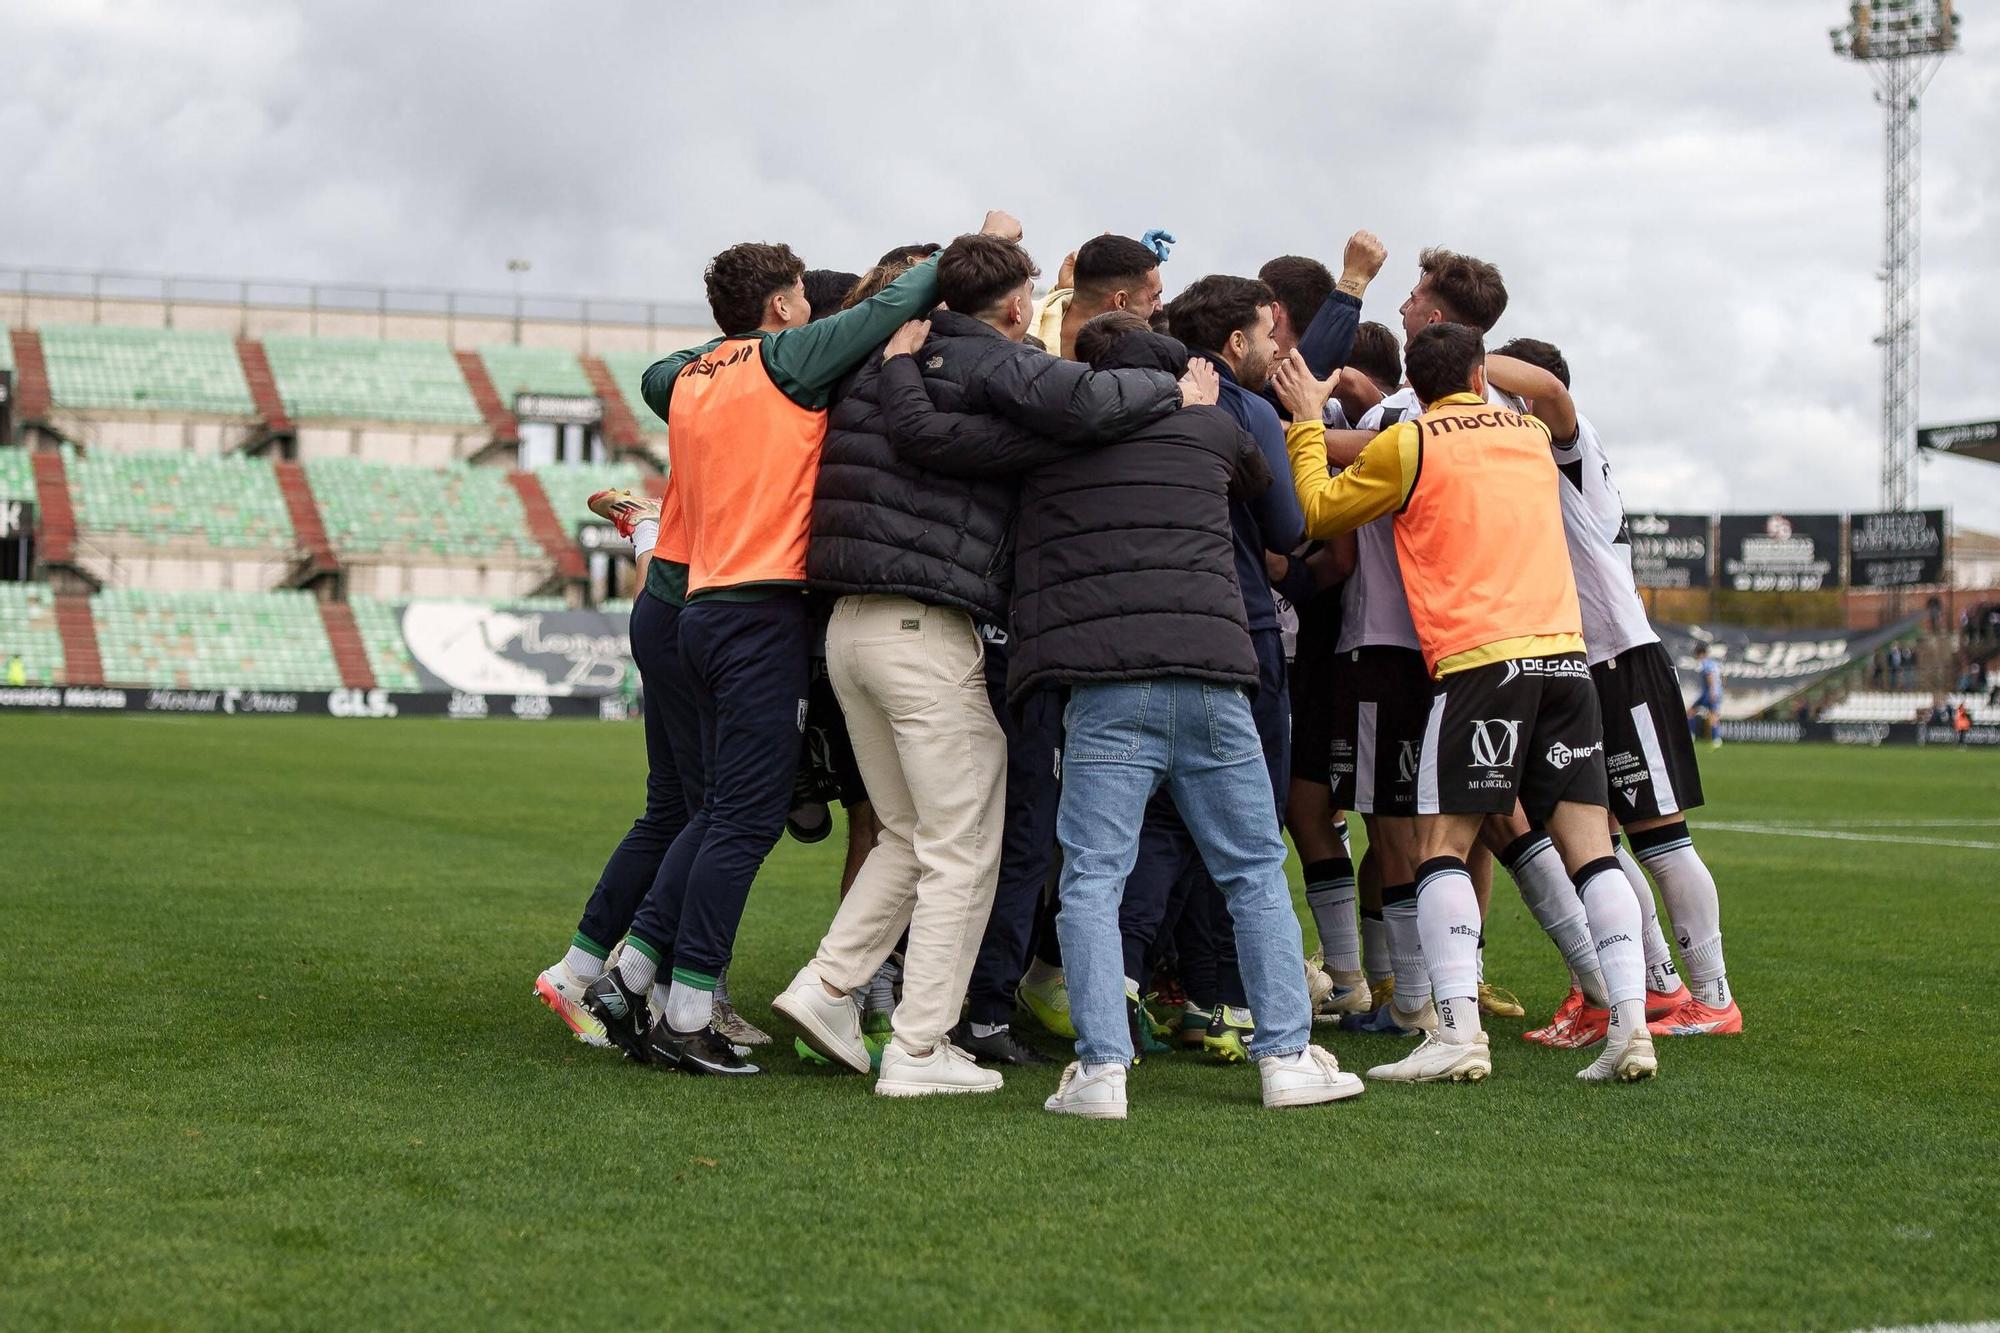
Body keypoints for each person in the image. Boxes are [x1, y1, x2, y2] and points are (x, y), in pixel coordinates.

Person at [580, 210, 1019, 1077]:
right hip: (759, 611)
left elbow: (656, 373)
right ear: (784, 305)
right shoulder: (788, 359)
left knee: (711, 811)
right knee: (741, 819)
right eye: (798, 301)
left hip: (700, 605)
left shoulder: (691, 375)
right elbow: (903, 297)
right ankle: (689, 1008)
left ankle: (629, 974)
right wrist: (980, 237)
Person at [770, 231, 1189, 1097]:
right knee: (964, 844)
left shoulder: (879, 362)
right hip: (925, 629)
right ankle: (920, 1047)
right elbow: (1094, 402)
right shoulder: (986, 359)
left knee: (910, 833)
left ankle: (825, 986)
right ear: (1010, 305)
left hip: (847, 628)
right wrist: (1176, 386)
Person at [996, 308, 1366, 1117]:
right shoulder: (1209, 428)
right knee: (1252, 867)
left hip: (1102, 682)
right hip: (1211, 669)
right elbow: (1283, 525)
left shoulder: (1051, 441)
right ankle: (1287, 1057)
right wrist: (1197, 410)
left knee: (1092, 878)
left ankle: (1100, 1070)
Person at [1278, 321, 1658, 1084]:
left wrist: (1304, 424)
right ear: (1482, 374)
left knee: (1438, 846)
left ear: (1415, 385)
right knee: (1591, 847)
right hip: (1565, 660)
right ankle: (1631, 1026)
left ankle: (1456, 1031)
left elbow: (1316, 512)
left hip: (1481, 664)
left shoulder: (1413, 440)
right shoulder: (1525, 433)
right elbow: (1550, 393)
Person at [1492, 336, 1741, 1039]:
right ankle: (1654, 985)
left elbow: (1555, 397)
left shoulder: (1569, 438)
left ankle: (1715, 997)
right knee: (1594, 841)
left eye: (1508, 399)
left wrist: (1466, 358)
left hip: (1618, 658)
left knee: (1662, 838)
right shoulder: (1521, 459)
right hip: (1572, 662)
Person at [1032, 234, 1167, 359]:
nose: (1160, 307)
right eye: (1154, 296)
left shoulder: (1025, 332)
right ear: (1121, 301)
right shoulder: (1018, 342)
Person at [1690, 642, 1724, 748]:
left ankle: (1692, 735)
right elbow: (1722, 677)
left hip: (1710, 692)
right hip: (1717, 692)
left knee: (1692, 712)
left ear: (1700, 653)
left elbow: (1710, 676)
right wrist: (1718, 689)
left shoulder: (1705, 663)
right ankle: (1716, 739)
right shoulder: (1714, 663)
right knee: (1713, 714)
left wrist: (1712, 691)